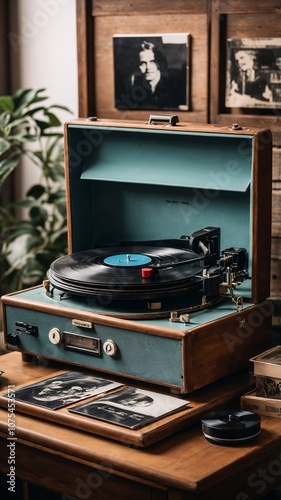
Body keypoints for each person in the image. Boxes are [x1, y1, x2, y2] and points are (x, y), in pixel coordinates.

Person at [116, 41, 186, 110]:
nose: (148, 67)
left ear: (158, 63)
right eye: (143, 63)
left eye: (152, 62)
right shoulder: (134, 83)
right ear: (137, 65)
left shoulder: (175, 83)